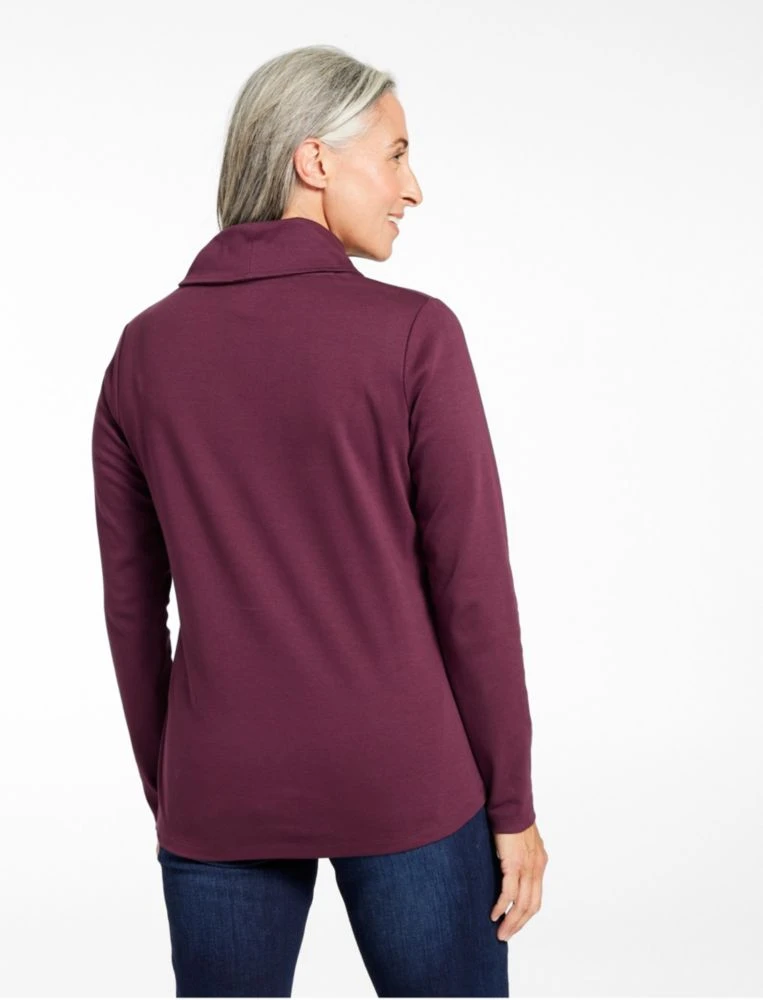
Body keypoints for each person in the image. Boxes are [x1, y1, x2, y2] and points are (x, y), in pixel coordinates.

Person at [91, 43, 548, 998]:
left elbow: (133, 611)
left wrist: (175, 788)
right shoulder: (414, 334)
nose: (412, 187)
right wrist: (510, 802)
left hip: (221, 782)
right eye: (395, 154)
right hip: (406, 776)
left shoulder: (142, 352)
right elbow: (470, 590)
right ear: (313, 161)